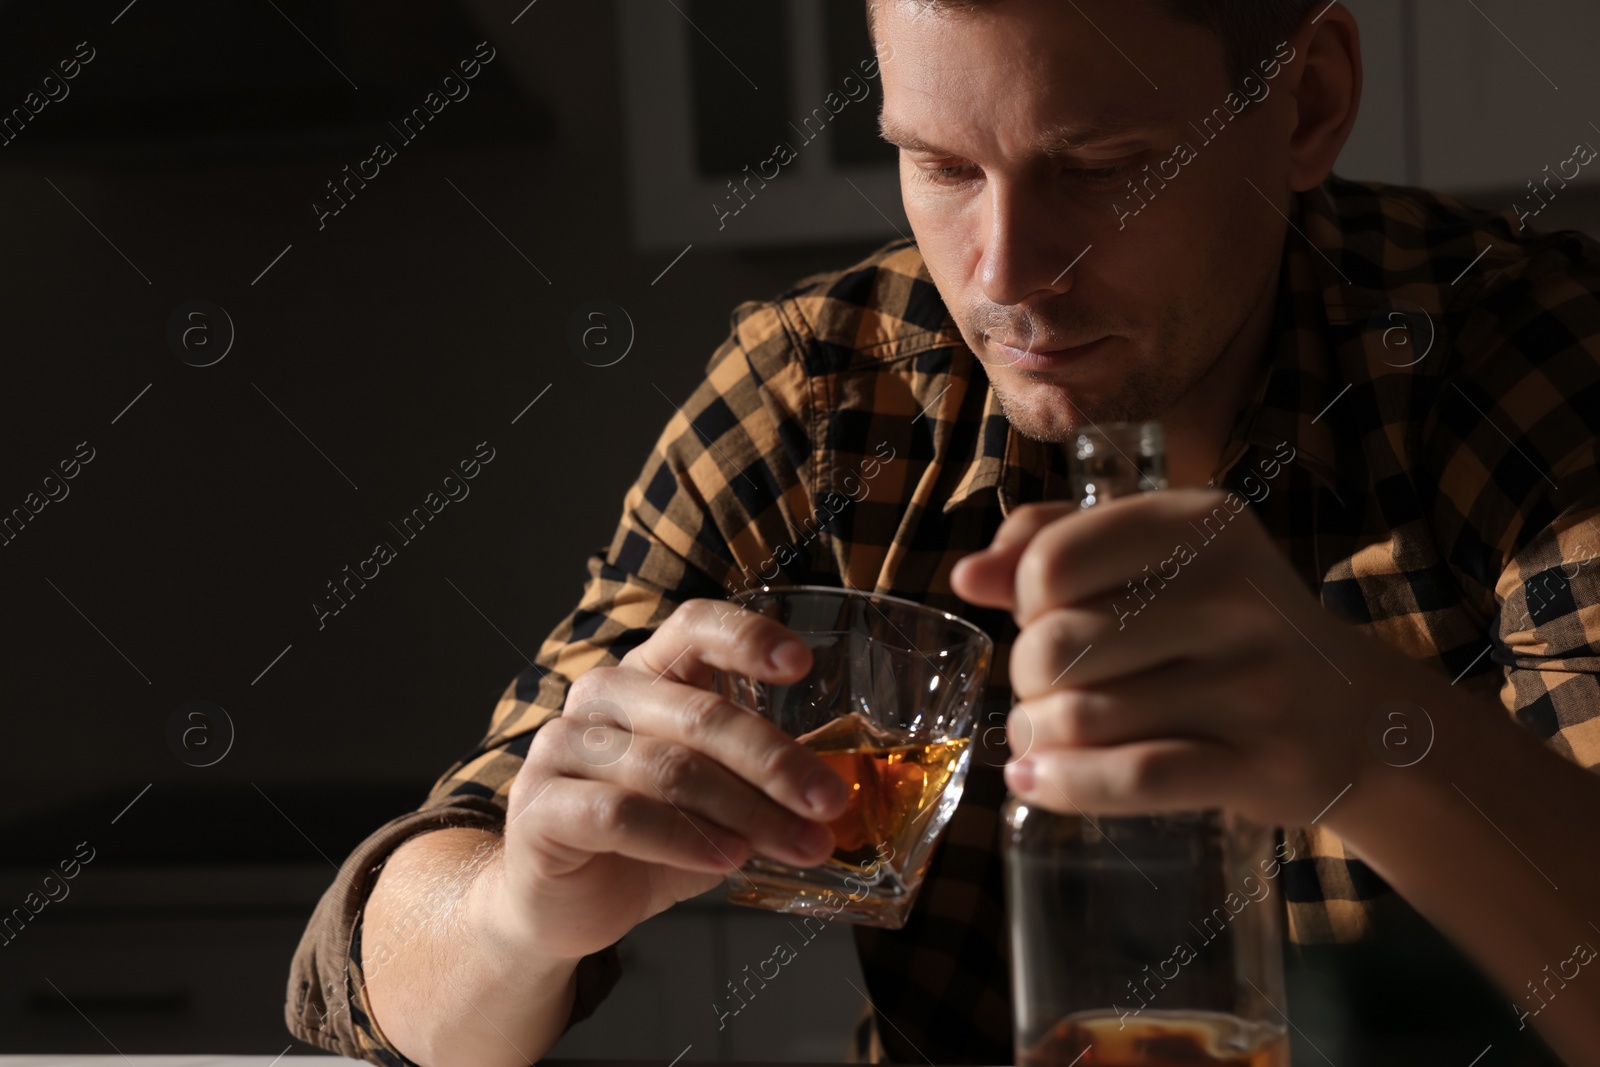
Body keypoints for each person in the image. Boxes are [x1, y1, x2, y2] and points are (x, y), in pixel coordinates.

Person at [285, 1, 1600, 1064]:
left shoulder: (1537, 373)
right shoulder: (828, 394)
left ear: (1305, 101)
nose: (1006, 276)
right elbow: (379, 979)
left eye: (1104, 167)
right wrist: (518, 909)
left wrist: (1379, 745)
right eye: (940, 164)